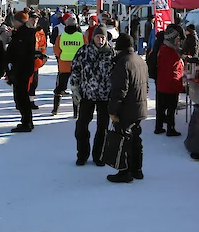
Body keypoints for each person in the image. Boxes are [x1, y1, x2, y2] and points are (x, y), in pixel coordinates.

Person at [70, 25, 116, 166]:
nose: (100, 40)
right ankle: (82, 155)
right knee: (82, 125)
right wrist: (75, 88)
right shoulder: (83, 51)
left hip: (105, 96)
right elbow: (75, 70)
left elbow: (118, 74)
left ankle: (99, 155)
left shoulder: (111, 53)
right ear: (93, 37)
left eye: (103, 37)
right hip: (87, 94)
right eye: (98, 37)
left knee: (103, 127)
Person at [107, 34, 149, 183]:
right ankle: (137, 169)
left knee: (123, 139)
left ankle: (124, 171)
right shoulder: (140, 60)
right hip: (140, 107)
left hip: (127, 109)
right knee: (136, 138)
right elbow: (147, 86)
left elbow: (119, 90)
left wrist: (112, 111)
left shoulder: (122, 63)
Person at [5, 11, 37, 132]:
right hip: (23, 69)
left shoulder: (24, 34)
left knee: (21, 97)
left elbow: (20, 53)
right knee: (22, 96)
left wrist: (13, 68)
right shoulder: (23, 33)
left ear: (19, 22)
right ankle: (27, 121)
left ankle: (27, 122)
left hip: (21, 70)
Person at [52, 14, 86, 116]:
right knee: (76, 88)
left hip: (64, 66)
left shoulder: (61, 37)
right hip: (78, 67)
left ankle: (55, 110)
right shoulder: (81, 37)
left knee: (60, 88)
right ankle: (76, 112)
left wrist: (61, 56)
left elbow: (56, 50)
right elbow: (86, 50)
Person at [156, 25, 183, 136]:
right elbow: (173, 69)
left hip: (162, 83)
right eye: (177, 38)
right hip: (171, 84)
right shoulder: (171, 51)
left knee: (161, 107)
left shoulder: (163, 47)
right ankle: (170, 129)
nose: (178, 40)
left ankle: (158, 127)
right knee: (171, 108)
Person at [28, 11, 47, 110]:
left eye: (36, 18)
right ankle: (24, 101)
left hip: (36, 60)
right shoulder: (25, 30)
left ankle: (31, 100)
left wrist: (42, 56)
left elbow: (43, 44)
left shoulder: (40, 31)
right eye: (32, 18)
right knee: (26, 81)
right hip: (26, 60)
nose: (34, 20)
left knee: (34, 82)